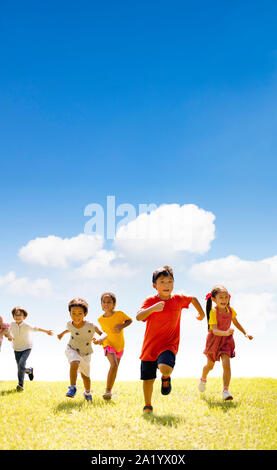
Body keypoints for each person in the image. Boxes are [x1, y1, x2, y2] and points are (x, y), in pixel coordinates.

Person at [136, 265, 205, 415]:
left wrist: (201, 314)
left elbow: (193, 299)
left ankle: (166, 377)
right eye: (162, 282)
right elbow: (139, 316)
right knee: (148, 379)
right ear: (155, 285)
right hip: (149, 347)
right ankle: (148, 405)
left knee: (165, 367)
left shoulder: (178, 299)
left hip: (169, 345)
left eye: (169, 281)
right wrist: (152, 308)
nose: (167, 285)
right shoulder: (150, 301)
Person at [198, 285, 253, 400]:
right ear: (214, 299)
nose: (224, 300)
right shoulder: (213, 312)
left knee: (226, 365)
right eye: (221, 298)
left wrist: (245, 333)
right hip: (214, 341)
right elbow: (215, 331)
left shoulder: (230, 310)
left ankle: (225, 391)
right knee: (210, 366)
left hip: (226, 342)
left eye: (226, 297)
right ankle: (203, 378)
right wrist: (226, 332)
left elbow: (236, 322)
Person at [57, 297, 107, 402]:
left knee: (86, 377)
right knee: (74, 363)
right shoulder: (69, 324)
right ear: (69, 313)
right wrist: (61, 333)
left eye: (80, 313)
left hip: (86, 353)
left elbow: (103, 333)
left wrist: (100, 339)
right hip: (72, 348)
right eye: (73, 313)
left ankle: (87, 392)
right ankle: (72, 387)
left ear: (85, 314)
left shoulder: (90, 326)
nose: (76, 316)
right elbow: (69, 329)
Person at [96, 292, 132, 400]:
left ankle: (109, 392)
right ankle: (107, 390)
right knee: (114, 365)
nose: (106, 304)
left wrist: (121, 326)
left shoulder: (120, 314)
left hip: (120, 345)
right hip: (108, 344)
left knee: (115, 368)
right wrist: (100, 340)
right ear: (101, 304)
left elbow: (129, 320)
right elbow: (103, 332)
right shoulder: (100, 320)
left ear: (114, 304)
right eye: (104, 302)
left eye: (109, 302)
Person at [10, 307, 54, 391]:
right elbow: (7, 332)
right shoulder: (11, 325)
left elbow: (36, 328)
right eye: (16, 315)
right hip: (16, 348)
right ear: (13, 316)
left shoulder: (26, 325)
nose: (18, 316)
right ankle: (29, 370)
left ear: (24, 317)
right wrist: (9, 337)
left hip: (27, 347)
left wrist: (46, 331)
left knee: (21, 364)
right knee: (20, 367)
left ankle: (20, 385)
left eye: (20, 315)